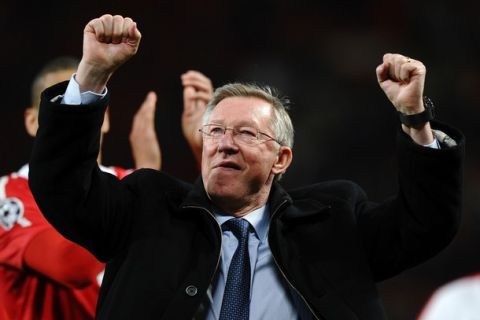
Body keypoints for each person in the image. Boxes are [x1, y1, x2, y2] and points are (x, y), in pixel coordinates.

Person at [28, 14, 464, 320]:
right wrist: (91, 76)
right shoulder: (145, 207)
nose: (224, 145)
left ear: (282, 158)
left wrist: (414, 118)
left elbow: (426, 224)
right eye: (214, 131)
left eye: (246, 133)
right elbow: (63, 186)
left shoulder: (334, 219)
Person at [0, 56, 161, 320]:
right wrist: (147, 177)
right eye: (62, 104)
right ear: (32, 122)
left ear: (104, 118)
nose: (73, 117)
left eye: (85, 103)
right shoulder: (8, 195)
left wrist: (201, 151)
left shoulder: (132, 183)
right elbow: (69, 267)